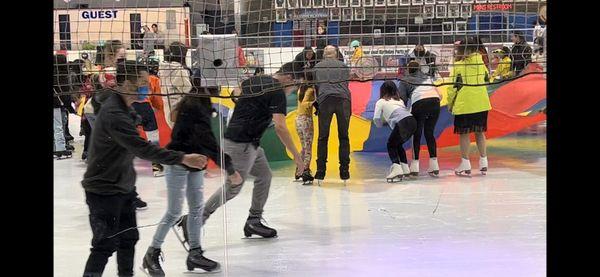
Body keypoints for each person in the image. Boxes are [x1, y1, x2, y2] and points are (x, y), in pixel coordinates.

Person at [81, 61, 208, 277]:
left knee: (128, 239)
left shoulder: (123, 107)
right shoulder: (114, 114)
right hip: (103, 189)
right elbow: (141, 148)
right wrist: (183, 158)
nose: (146, 87)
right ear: (126, 83)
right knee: (105, 244)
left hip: (123, 186)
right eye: (141, 83)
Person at [142, 86, 243, 275]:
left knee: (196, 209)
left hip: (196, 164)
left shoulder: (195, 102)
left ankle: (195, 253)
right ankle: (151, 254)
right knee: (174, 212)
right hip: (179, 163)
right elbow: (208, 140)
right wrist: (229, 168)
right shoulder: (195, 107)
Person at [200, 61, 305, 238]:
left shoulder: (256, 80)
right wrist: (297, 156)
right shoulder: (277, 91)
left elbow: (236, 94)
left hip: (249, 143)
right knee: (233, 186)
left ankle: (253, 221)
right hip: (240, 144)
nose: (294, 90)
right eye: (295, 85)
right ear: (288, 78)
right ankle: (196, 219)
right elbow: (280, 127)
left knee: (264, 176)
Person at [447, 38, 492, 176]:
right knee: (480, 132)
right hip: (482, 103)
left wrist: (450, 104)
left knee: (464, 134)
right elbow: (487, 80)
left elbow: (452, 87)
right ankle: (484, 161)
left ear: (463, 49)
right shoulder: (481, 63)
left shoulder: (458, 65)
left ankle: (465, 164)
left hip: (464, 103)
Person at [313, 45, 352, 183]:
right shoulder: (344, 66)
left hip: (325, 100)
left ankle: (320, 172)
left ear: (324, 54)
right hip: (343, 100)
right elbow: (347, 84)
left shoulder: (317, 67)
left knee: (323, 137)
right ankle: (345, 171)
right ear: (336, 54)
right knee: (344, 136)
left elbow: (316, 87)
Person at [399, 61, 442, 177]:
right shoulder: (428, 77)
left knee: (416, 134)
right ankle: (434, 165)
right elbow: (440, 95)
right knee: (429, 133)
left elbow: (402, 99)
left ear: (408, 69)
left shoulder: (404, 80)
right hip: (435, 101)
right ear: (420, 69)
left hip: (419, 103)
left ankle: (414, 166)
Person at [373, 81, 416, 182]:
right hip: (412, 121)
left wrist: (379, 125)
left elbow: (376, 118)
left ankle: (396, 168)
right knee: (398, 144)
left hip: (402, 122)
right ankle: (405, 169)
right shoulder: (400, 100)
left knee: (390, 144)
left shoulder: (381, 101)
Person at [159, 42, 193, 129]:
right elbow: (188, 90)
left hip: (169, 111)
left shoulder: (163, 68)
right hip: (178, 111)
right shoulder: (179, 70)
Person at [295, 71, 316, 184]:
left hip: (297, 119)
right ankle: (306, 171)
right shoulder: (311, 90)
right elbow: (304, 104)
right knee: (308, 148)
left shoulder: (300, 90)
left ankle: (298, 170)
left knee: (303, 147)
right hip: (306, 120)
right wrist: (313, 102)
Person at [53, 54, 73, 158]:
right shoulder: (61, 75)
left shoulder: (58, 74)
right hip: (57, 103)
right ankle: (60, 148)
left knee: (58, 125)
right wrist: (69, 105)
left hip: (58, 103)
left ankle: (58, 146)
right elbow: (64, 92)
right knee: (58, 126)